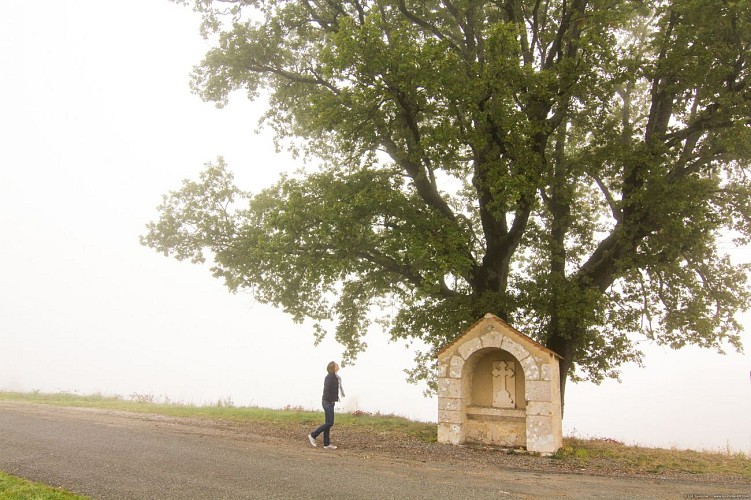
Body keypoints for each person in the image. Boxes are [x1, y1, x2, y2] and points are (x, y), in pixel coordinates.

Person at [308, 361, 345, 449]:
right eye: (336, 365)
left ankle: (326, 444)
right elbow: (327, 390)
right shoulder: (330, 377)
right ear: (333, 367)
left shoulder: (335, 377)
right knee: (329, 423)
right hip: (327, 402)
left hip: (330, 402)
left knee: (328, 423)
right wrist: (330, 400)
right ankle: (313, 435)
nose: (338, 365)